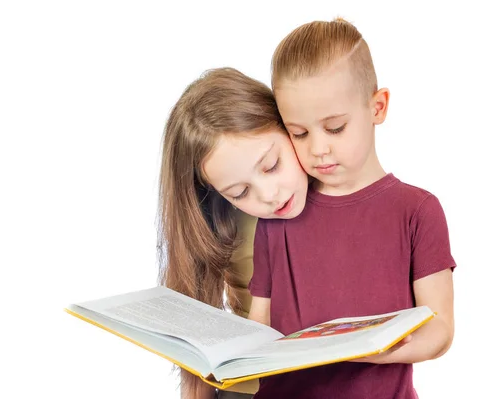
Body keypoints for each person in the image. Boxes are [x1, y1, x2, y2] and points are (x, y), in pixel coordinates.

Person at [247, 18, 456, 398]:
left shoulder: (418, 211)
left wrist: (368, 349)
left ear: (377, 107)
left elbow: (440, 329)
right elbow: (259, 323)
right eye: (299, 133)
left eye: (335, 128)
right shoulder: (278, 214)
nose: (318, 149)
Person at [157, 67, 308, 399]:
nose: (270, 194)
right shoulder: (224, 221)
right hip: (248, 388)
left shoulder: (343, 191)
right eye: (240, 192)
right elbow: (196, 357)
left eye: (271, 165)